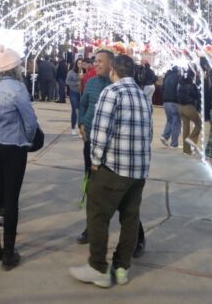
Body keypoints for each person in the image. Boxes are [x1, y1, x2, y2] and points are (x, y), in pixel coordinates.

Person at [69, 54, 153, 288]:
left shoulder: (112, 92)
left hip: (115, 166)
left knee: (97, 213)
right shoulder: (143, 96)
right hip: (139, 170)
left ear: (113, 70)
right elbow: (149, 134)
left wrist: (95, 161)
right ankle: (122, 267)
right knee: (130, 218)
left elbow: (100, 131)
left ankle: (98, 268)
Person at [0, 45, 38, 270]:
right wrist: (29, 139)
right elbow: (30, 121)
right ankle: (8, 252)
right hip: (15, 146)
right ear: (15, 68)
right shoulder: (18, 88)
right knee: (11, 198)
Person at [177, 69, 202, 155]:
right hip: (189, 107)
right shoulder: (192, 85)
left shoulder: (180, 84)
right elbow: (197, 95)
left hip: (180, 107)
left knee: (186, 128)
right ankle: (190, 139)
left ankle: (186, 150)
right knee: (199, 124)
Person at [160, 66, 181, 149]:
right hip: (175, 102)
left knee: (170, 120)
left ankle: (165, 136)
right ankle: (174, 144)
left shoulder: (167, 77)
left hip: (166, 102)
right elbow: (179, 90)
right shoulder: (178, 78)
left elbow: (162, 88)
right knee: (176, 122)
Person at [66, 58, 84, 136]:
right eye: (78, 63)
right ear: (76, 64)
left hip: (83, 93)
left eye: (81, 63)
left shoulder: (85, 72)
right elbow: (67, 82)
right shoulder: (71, 72)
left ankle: (81, 129)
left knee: (81, 111)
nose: (80, 65)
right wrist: (76, 83)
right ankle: (73, 127)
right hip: (74, 93)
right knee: (74, 110)